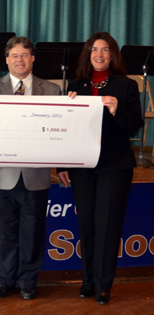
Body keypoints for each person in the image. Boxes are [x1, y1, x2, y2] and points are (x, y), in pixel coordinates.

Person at [0, 36, 60, 300]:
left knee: (33, 233)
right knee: (4, 233)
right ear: (7, 59)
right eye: (15, 55)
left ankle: (29, 281)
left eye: (25, 55)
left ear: (33, 59)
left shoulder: (52, 90)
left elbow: (61, 133)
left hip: (36, 176)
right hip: (1, 175)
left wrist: (64, 165)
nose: (20, 60)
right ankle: (4, 280)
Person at [58, 32, 143, 305]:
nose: (99, 54)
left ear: (112, 54)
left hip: (114, 167)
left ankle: (103, 286)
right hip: (83, 168)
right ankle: (88, 282)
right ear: (88, 54)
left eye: (105, 49)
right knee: (87, 225)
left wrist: (117, 110)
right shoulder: (75, 86)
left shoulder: (126, 86)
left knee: (108, 226)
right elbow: (64, 130)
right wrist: (62, 165)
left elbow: (135, 126)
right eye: (94, 49)